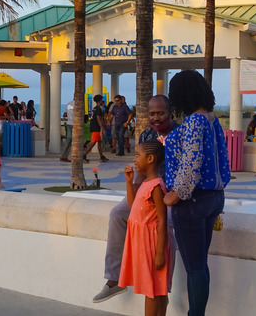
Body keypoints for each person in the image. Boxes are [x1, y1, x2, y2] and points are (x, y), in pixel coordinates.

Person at [94, 95, 178, 304]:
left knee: (165, 225)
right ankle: (115, 280)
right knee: (118, 214)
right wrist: (136, 190)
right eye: (152, 114)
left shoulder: (181, 134)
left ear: (170, 113)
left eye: (160, 113)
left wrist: (176, 193)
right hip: (149, 189)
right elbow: (141, 174)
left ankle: (162, 288)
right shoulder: (147, 134)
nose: (156, 118)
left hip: (172, 195)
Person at [163, 70, 230, 316]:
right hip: (213, 199)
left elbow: (192, 161)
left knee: (194, 267)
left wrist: (175, 194)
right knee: (200, 264)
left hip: (192, 201)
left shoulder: (193, 122)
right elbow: (224, 163)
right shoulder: (213, 121)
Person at [119, 140, 172, 316]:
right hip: (143, 244)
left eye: (137, 155)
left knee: (153, 290)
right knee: (156, 288)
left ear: (150, 158)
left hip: (152, 244)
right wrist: (129, 182)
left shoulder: (157, 186)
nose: (134, 159)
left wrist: (159, 253)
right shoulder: (145, 183)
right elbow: (134, 206)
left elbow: (163, 221)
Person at [84, 94, 109, 163]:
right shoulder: (97, 109)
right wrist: (103, 129)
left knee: (99, 142)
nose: (102, 101)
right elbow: (98, 119)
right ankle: (84, 155)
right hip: (95, 128)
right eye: (102, 100)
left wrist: (103, 108)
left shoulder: (95, 108)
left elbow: (101, 117)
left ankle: (101, 156)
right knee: (93, 142)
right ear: (100, 100)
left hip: (94, 127)